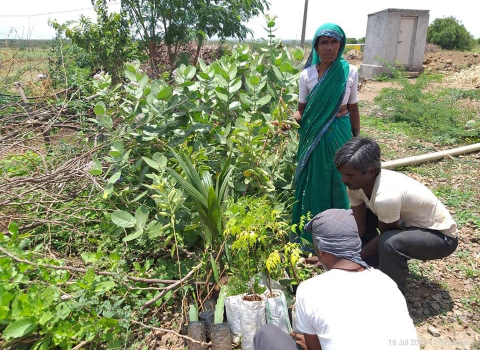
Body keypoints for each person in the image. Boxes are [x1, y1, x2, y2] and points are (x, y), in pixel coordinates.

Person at [254, 209, 419, 350]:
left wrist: (314, 343)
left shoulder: (310, 290)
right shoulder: (385, 282)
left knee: (266, 334)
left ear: (322, 251)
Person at [334, 137, 458, 293]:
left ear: (371, 171)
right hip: (406, 226)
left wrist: (351, 259)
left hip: (441, 238)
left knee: (390, 242)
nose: (344, 179)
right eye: (342, 174)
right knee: (358, 218)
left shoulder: (386, 196)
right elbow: (359, 227)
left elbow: (386, 234)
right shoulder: (355, 185)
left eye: (350, 175)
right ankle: (372, 266)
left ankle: (392, 294)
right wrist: (340, 254)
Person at [291, 23, 360, 243]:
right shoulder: (307, 75)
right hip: (313, 136)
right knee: (316, 181)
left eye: (333, 42)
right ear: (316, 46)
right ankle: (313, 232)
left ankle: (341, 232)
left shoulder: (349, 72)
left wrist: (357, 138)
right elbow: (301, 111)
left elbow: (353, 107)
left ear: (340, 45)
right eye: (324, 42)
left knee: (341, 179)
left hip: (340, 131)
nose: (328, 47)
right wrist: (288, 121)